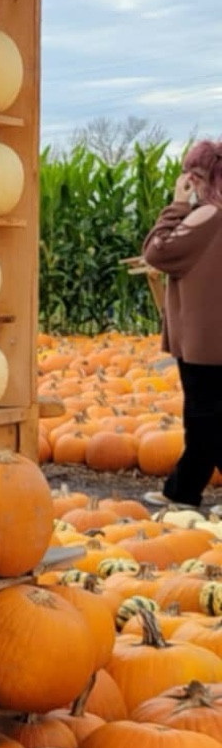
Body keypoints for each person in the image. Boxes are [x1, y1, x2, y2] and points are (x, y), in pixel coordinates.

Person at [142, 140, 222, 509]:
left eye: (191, 174)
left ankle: (183, 491)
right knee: (207, 417)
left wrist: (176, 205)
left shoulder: (206, 216)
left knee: (204, 418)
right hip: (212, 337)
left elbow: (157, 252)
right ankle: (183, 490)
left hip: (205, 340)